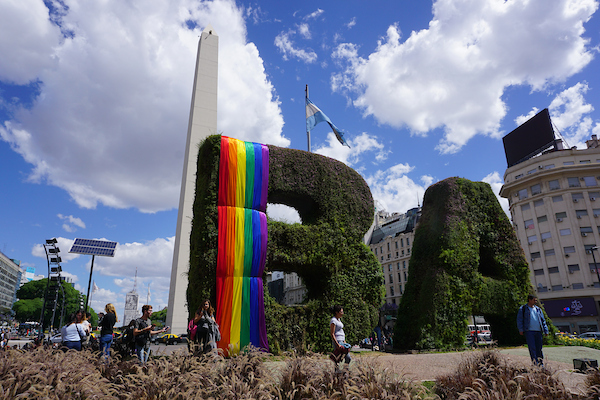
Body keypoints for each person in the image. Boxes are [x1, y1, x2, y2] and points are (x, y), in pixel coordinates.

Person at [517, 294, 549, 366]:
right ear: (530, 300)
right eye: (534, 300)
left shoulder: (538, 309)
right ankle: (535, 363)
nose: (535, 301)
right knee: (532, 348)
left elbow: (543, 320)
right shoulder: (523, 309)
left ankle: (541, 363)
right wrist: (521, 329)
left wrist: (545, 329)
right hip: (529, 331)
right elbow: (519, 320)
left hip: (538, 331)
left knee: (539, 348)